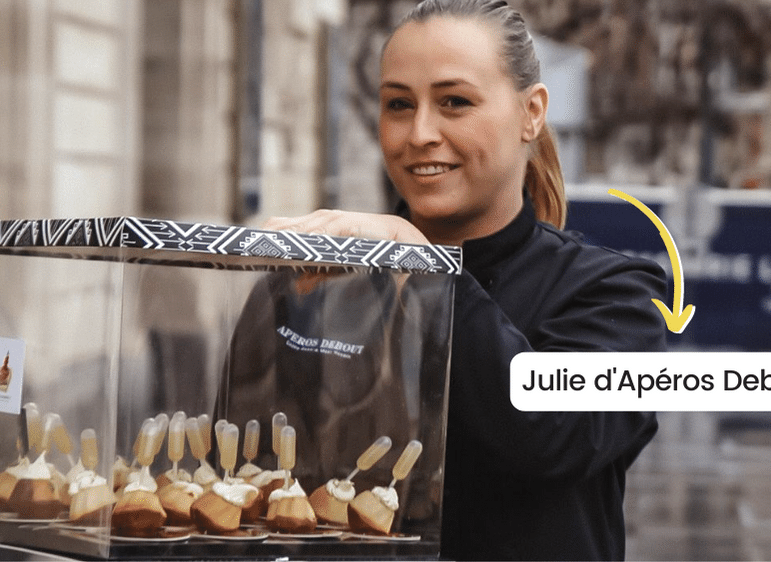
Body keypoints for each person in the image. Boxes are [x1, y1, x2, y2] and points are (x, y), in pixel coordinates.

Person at [262, 0, 667, 559]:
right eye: (398, 104)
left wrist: (418, 264)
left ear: (532, 112)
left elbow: (548, 439)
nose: (420, 132)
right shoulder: (319, 280)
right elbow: (244, 473)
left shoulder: (617, 295)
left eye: (455, 102)